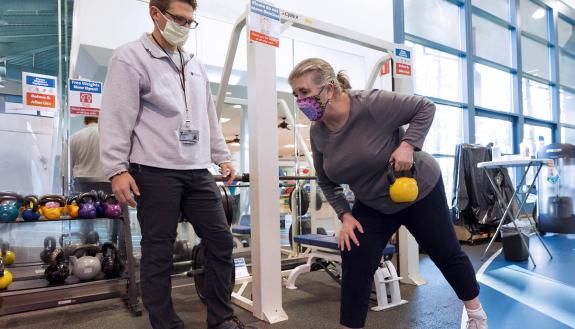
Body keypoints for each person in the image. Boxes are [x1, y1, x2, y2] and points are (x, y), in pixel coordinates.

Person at [288, 58, 488, 329]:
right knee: (355, 258)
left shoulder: (370, 104)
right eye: (296, 94)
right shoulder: (319, 132)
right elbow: (325, 180)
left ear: (329, 89)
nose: (300, 101)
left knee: (445, 252)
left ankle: (475, 314)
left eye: (304, 92)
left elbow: (424, 107)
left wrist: (408, 145)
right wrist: (345, 216)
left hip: (418, 189)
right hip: (372, 202)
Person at [99, 1, 253, 328]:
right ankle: (166, 324)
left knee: (221, 241)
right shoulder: (130, 56)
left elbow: (206, 116)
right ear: (156, 14)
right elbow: (115, 115)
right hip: (153, 171)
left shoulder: (193, 63)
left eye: (189, 21)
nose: (184, 26)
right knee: (158, 251)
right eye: (178, 19)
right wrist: (117, 169)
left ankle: (221, 318)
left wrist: (222, 156)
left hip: (197, 172)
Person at [70, 116, 106, 182]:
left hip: (81, 182)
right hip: (105, 180)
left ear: (84, 121)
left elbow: (67, 164)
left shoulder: (75, 137)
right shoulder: (107, 136)